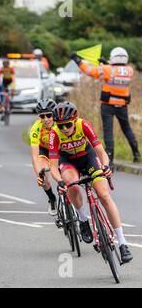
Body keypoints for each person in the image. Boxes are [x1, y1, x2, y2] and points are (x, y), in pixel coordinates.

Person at [49, 102, 132, 263]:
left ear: (74, 121)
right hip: (68, 162)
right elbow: (53, 165)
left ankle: (122, 243)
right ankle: (82, 219)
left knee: (104, 195)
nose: (64, 129)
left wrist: (106, 166)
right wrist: (59, 181)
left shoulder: (84, 125)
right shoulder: (54, 134)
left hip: (88, 158)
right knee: (71, 183)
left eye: (67, 125)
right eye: (60, 126)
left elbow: (100, 151)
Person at [71, 48, 140, 164]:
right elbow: (117, 70)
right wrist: (106, 63)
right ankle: (136, 153)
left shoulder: (107, 69)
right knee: (126, 128)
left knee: (108, 131)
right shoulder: (129, 70)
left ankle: (110, 159)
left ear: (113, 57)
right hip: (122, 106)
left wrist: (77, 60)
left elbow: (90, 71)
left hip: (108, 106)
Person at [30, 99, 58, 215]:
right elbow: (35, 156)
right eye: (42, 116)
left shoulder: (60, 123)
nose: (46, 119)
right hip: (44, 150)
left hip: (59, 149)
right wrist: (39, 175)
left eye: (49, 115)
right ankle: (52, 198)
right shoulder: (36, 128)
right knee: (43, 175)